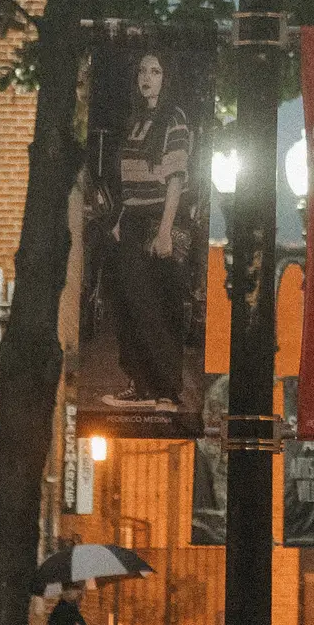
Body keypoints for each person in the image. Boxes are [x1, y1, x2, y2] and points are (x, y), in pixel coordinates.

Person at [102, 48, 192, 408]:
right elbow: (128, 179)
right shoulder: (135, 121)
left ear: (165, 78)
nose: (147, 77)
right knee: (126, 304)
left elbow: (175, 179)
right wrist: (122, 220)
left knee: (154, 306)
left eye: (155, 71)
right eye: (142, 70)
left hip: (159, 218)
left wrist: (165, 231)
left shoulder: (175, 119)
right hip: (132, 220)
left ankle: (166, 391)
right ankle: (139, 384)